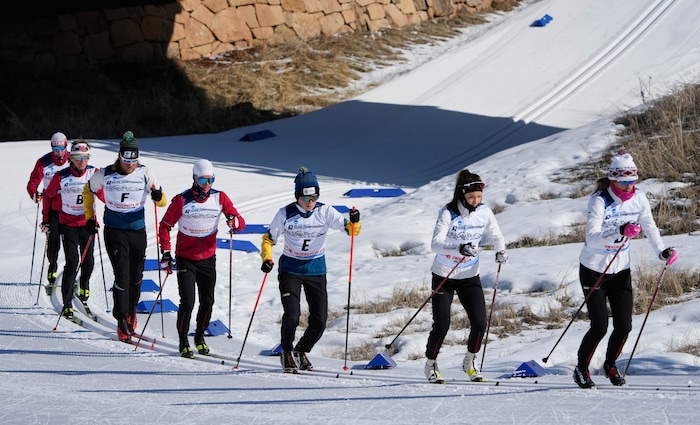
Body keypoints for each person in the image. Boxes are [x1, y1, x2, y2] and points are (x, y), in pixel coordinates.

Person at [574, 149, 678, 389]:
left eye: (632, 181)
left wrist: (661, 251)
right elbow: (592, 238)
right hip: (594, 268)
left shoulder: (639, 198)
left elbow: (650, 227)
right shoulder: (599, 200)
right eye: (623, 182)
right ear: (612, 180)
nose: (629, 186)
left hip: (621, 269)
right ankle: (581, 368)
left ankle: (610, 365)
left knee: (624, 325)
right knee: (600, 325)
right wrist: (619, 231)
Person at [260, 167, 361, 373]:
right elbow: (269, 238)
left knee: (320, 320)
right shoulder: (285, 214)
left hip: (316, 268)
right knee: (293, 314)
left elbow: (350, 231)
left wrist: (355, 220)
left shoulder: (325, 211)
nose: (310, 201)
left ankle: (301, 350)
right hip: (291, 268)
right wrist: (267, 257)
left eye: (315, 195)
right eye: (306, 196)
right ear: (298, 195)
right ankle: (286, 352)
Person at [424, 169, 507, 384]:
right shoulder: (447, 212)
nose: (475, 201)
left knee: (480, 323)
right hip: (445, 274)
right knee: (442, 324)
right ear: (462, 195)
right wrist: (459, 248)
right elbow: (435, 244)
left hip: (470, 274)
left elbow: (496, 233)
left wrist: (500, 250)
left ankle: (470, 361)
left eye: (479, 197)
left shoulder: (484, 212)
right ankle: (431, 363)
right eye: (471, 197)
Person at [83, 131, 167, 343]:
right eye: (126, 159)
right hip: (115, 230)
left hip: (138, 231)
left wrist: (159, 197)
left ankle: (131, 313)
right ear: (120, 156)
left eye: (134, 159)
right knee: (123, 276)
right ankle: (120, 319)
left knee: (137, 276)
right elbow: (88, 191)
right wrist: (89, 217)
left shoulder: (145, 173)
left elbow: (162, 201)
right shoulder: (105, 174)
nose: (131, 164)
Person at [158, 159, 246, 358]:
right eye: (203, 179)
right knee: (188, 301)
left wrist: (234, 221)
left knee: (208, 301)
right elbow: (165, 226)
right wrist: (166, 252)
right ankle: (183, 340)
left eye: (211, 179)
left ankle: (199, 336)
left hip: (207, 258)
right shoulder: (181, 200)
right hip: (185, 258)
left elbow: (240, 223)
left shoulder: (220, 198)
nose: (207, 184)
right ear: (195, 178)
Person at [42, 140, 104, 318]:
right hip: (68, 226)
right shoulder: (61, 176)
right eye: (78, 158)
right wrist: (46, 220)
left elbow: (104, 194)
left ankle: (84, 284)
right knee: (72, 263)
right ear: (71, 158)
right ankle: (67, 303)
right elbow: (48, 196)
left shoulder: (93, 173)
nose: (82, 161)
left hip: (87, 225)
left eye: (85, 158)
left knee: (89, 261)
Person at [27, 132, 70, 286]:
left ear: (66, 146)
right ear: (52, 147)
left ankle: (70, 271)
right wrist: (34, 194)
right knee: (53, 241)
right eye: (56, 148)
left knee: (70, 242)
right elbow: (32, 182)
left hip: (70, 207)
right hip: (51, 207)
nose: (59, 152)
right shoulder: (43, 162)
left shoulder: (73, 159)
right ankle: (52, 264)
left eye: (62, 148)